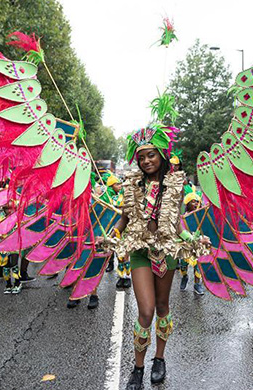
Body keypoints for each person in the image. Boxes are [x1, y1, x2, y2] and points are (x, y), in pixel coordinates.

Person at [99, 125, 209, 389]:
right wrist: (111, 235)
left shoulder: (176, 184)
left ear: (161, 155)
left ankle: (159, 359)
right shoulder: (130, 185)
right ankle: (137, 367)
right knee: (145, 310)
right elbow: (124, 220)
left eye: (151, 155)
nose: (146, 161)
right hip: (139, 252)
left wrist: (190, 239)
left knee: (162, 307)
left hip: (167, 251)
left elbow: (177, 221)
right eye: (141, 157)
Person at [179, 191, 205, 295]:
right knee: (183, 265)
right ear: (187, 203)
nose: (195, 204)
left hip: (198, 245)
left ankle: (197, 284)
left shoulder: (201, 217)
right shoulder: (182, 218)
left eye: (197, 202)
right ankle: (184, 277)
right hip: (185, 245)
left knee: (198, 265)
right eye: (193, 202)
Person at [0, 201, 22, 294]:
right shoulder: (0, 218)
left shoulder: (18, 217)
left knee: (14, 264)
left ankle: (17, 283)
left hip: (15, 245)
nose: (9, 210)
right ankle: (8, 284)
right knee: (5, 266)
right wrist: (0, 236)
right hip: (4, 245)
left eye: (11, 208)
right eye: (6, 208)